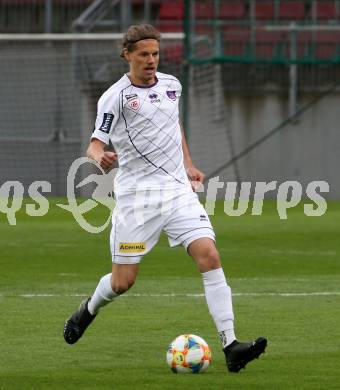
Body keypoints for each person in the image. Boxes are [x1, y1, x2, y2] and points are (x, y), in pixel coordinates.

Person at [63, 24, 267, 372]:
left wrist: (188, 165)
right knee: (122, 282)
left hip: (176, 192)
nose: (151, 60)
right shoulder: (115, 96)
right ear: (127, 54)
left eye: (155, 54)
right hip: (137, 200)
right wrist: (101, 158)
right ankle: (89, 309)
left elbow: (174, 126)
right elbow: (95, 143)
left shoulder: (173, 85)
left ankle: (231, 346)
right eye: (143, 54)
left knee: (210, 256)